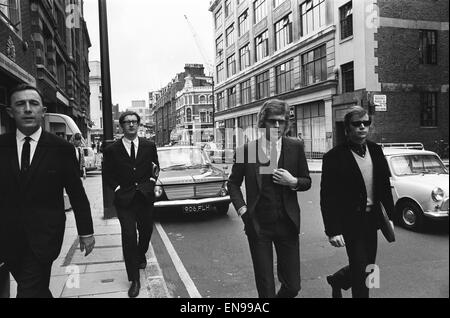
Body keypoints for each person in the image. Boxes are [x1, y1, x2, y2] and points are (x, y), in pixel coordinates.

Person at [0, 84, 95, 298]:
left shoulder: (61, 148)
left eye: (33, 104)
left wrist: (86, 231)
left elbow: (77, 194)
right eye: (20, 104)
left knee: (28, 291)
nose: (27, 109)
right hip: (7, 237)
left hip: (45, 237)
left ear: (43, 111)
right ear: (10, 112)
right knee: (37, 289)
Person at [228, 99, 311, 298]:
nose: (276, 126)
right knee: (265, 287)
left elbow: (306, 181)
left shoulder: (296, 146)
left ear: (286, 124)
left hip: (287, 224)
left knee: (293, 286)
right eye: (272, 121)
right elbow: (232, 184)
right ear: (262, 122)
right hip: (258, 225)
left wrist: (292, 181)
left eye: (281, 122)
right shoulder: (246, 151)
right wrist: (243, 211)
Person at [320, 106, 395, 298]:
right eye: (357, 124)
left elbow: (384, 186)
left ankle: (338, 279)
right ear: (347, 129)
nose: (362, 127)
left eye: (366, 123)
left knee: (369, 266)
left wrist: (391, 216)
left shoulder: (377, 151)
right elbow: (327, 197)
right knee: (362, 268)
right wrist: (333, 230)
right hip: (350, 222)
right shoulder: (334, 157)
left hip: (373, 221)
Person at [103, 111, 160, 298]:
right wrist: (118, 188)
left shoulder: (149, 146)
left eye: (134, 122)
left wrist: (151, 183)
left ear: (138, 124)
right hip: (125, 200)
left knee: (146, 232)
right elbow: (108, 174)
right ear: (121, 126)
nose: (131, 125)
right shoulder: (112, 149)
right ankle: (134, 279)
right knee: (128, 236)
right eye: (127, 122)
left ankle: (140, 253)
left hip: (144, 197)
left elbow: (155, 167)